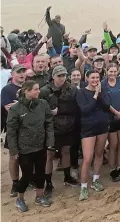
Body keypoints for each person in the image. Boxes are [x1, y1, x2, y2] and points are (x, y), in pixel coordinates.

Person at [7, 80, 55, 212]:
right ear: (27, 91)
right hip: (24, 148)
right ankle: (20, 199)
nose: (39, 91)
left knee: (40, 173)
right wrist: (14, 150)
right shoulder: (16, 109)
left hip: (40, 146)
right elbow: (11, 132)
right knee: (27, 175)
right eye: (35, 89)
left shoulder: (43, 104)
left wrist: (50, 142)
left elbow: (49, 124)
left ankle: (39, 197)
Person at [39, 66, 81, 198]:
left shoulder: (72, 89)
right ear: (53, 77)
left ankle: (67, 177)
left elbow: (75, 107)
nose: (62, 78)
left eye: (64, 75)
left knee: (66, 151)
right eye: (59, 76)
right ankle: (48, 182)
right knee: (50, 155)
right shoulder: (45, 91)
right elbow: (40, 108)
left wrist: (60, 111)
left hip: (68, 126)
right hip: (51, 128)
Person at [76, 70, 111, 201]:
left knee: (99, 153)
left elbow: (107, 106)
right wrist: (95, 95)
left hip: (102, 126)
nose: (95, 80)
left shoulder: (102, 90)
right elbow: (85, 109)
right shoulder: (81, 92)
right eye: (93, 78)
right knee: (87, 157)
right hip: (88, 128)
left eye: (97, 77)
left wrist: (99, 94)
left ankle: (96, 179)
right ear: (87, 78)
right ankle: (84, 186)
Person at [101, 64, 120, 182]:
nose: (112, 74)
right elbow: (105, 102)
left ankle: (119, 167)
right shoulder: (103, 83)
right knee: (113, 145)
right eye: (110, 71)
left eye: (114, 71)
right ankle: (112, 169)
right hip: (110, 117)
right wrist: (116, 113)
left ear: (117, 71)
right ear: (106, 71)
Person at [1, 64, 26, 197]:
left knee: (29, 156)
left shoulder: (30, 86)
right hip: (14, 129)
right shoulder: (7, 89)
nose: (22, 74)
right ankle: (15, 183)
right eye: (19, 72)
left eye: (23, 71)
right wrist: (24, 104)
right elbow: (9, 109)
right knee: (14, 158)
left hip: (29, 128)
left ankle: (28, 180)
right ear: (13, 74)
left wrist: (19, 104)